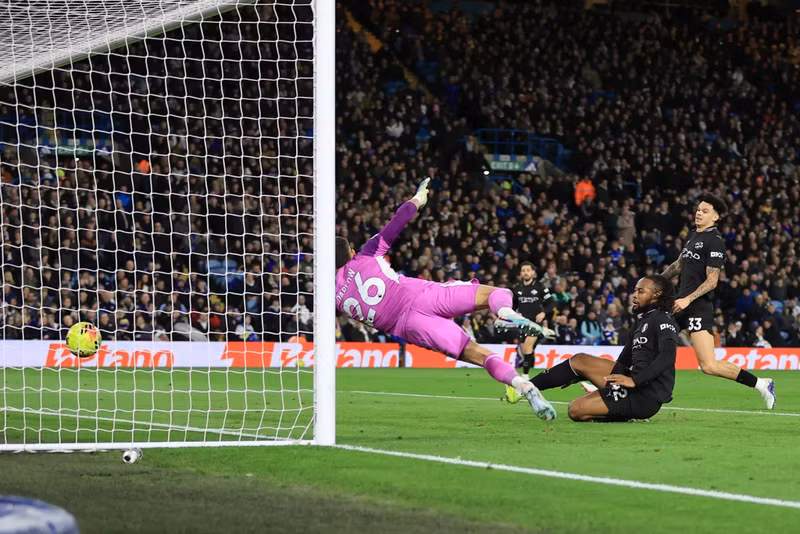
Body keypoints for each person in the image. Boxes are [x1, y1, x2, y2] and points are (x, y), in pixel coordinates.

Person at [335, 179, 557, 421]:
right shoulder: (367, 253)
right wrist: (419, 198)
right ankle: (505, 312)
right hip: (423, 296)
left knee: (479, 355)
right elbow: (398, 221)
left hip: (411, 326)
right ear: (352, 253)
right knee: (498, 293)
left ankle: (523, 385)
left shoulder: (333, 297)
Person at [661, 194, 775, 409]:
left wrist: (687, 299)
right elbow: (678, 265)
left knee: (709, 365)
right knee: (651, 337)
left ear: (715, 217)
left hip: (697, 306)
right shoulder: (693, 235)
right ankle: (622, 384)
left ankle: (761, 384)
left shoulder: (715, 241)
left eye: (705, 211)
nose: (699, 213)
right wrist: (655, 281)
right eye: (698, 209)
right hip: (680, 303)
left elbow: (712, 281)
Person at [529, 275, 679, 422]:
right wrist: (583, 374)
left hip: (647, 396)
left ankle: (623, 415)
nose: (634, 295)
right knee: (580, 360)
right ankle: (526, 388)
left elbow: (668, 356)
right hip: (632, 381)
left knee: (575, 409)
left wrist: (635, 380)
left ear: (656, 295)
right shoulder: (642, 320)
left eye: (641, 291)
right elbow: (624, 360)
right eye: (635, 290)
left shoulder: (663, 320)